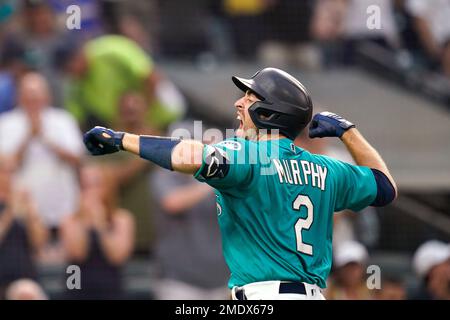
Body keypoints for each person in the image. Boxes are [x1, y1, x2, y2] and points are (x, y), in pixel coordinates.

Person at [83, 67, 397, 300]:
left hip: (263, 298)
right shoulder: (329, 168)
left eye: (249, 97)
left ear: (269, 112)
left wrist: (125, 140)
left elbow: (192, 156)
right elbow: (385, 187)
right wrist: (348, 132)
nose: (238, 103)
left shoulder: (250, 153)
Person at [0, 72, 84, 234]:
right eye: (28, 96)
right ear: (19, 97)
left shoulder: (63, 120)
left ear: (47, 96)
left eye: (36, 96)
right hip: (20, 212)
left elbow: (77, 159)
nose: (33, 101)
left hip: (62, 210)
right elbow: (6, 166)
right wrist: (28, 137)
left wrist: (46, 139)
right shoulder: (6, 123)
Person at [55, 34, 185, 131]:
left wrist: (145, 114)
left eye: (71, 66)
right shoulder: (75, 86)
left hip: (164, 114)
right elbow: (78, 121)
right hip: (129, 133)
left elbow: (150, 76)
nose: (71, 73)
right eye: (66, 71)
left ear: (80, 54)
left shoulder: (109, 50)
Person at [59, 162, 135, 300]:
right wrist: (84, 220)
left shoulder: (121, 219)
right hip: (76, 283)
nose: (89, 191)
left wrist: (100, 224)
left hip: (110, 286)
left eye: (95, 184)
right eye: (84, 186)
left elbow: (117, 256)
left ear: (108, 186)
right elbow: (77, 253)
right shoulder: (70, 220)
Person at [0, 156, 48, 299]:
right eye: (5, 171)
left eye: (13, 172)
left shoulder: (21, 202)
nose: (10, 177)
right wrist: (9, 211)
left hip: (26, 278)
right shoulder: (12, 206)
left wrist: (32, 212)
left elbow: (39, 243)